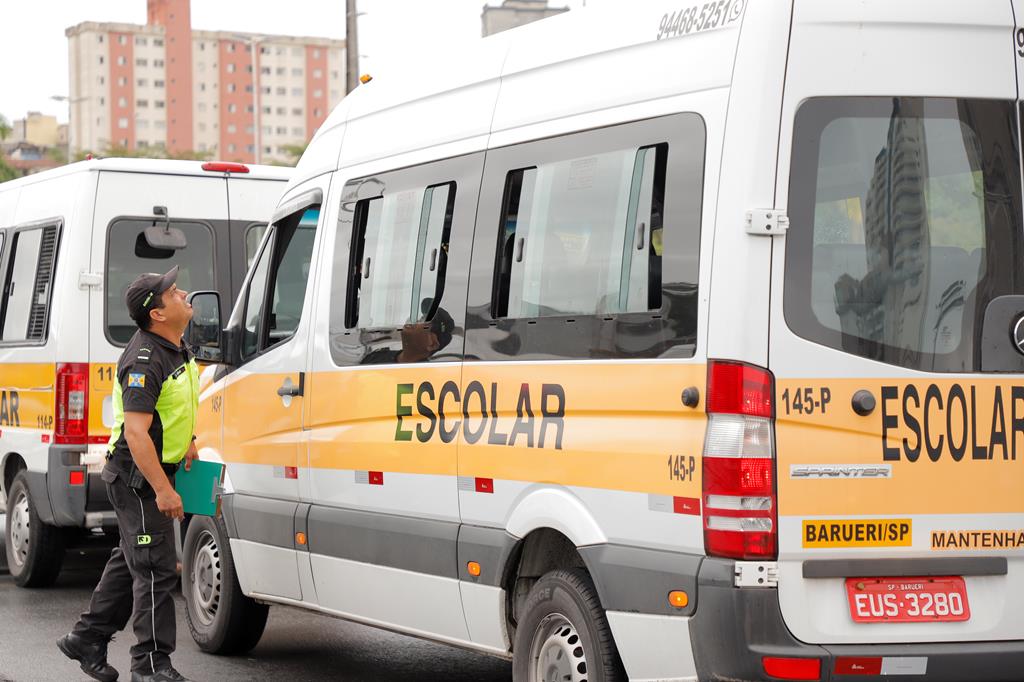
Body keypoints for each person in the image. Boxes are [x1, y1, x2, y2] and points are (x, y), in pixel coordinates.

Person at [57, 266, 198, 682]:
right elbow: (136, 433)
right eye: (173, 293)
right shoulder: (144, 359)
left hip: (153, 473)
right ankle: (150, 666)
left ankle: (86, 638)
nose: (183, 293)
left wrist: (188, 438)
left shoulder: (173, 344)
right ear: (156, 313)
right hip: (139, 480)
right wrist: (162, 490)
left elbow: (168, 409)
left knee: (133, 561)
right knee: (154, 567)